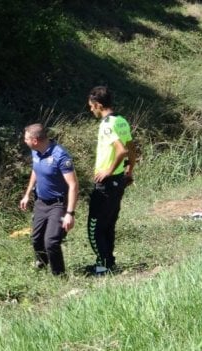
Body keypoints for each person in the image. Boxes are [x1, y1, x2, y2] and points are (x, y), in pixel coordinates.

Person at [86, 86, 137, 274]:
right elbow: (131, 148)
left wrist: (108, 170)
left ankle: (102, 266)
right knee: (108, 224)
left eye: (91, 106)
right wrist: (129, 170)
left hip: (106, 183)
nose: (91, 110)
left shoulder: (107, 124)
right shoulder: (121, 120)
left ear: (99, 105)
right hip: (119, 181)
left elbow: (121, 150)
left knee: (94, 226)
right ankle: (109, 263)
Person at [20, 123, 79, 275]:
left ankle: (59, 275)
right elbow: (36, 170)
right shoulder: (36, 152)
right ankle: (42, 263)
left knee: (51, 241)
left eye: (26, 139)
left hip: (58, 204)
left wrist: (70, 214)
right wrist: (27, 194)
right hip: (41, 202)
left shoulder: (60, 156)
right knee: (36, 238)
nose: (24, 141)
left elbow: (73, 185)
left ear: (35, 140)